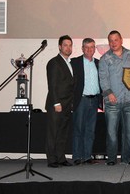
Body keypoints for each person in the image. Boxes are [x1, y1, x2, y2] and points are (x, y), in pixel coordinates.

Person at [98, 30, 130, 165]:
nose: (113, 43)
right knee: (112, 133)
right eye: (110, 40)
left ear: (121, 40)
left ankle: (127, 158)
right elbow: (103, 78)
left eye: (116, 40)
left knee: (129, 133)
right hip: (112, 101)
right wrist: (109, 93)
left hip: (129, 100)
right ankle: (111, 159)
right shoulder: (105, 58)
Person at [45, 35, 75, 168]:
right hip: (56, 105)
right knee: (53, 133)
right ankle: (52, 160)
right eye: (65, 45)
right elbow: (52, 85)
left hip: (67, 104)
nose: (68, 48)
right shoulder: (54, 62)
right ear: (59, 47)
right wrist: (56, 103)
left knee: (62, 133)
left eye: (70, 45)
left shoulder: (70, 63)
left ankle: (61, 158)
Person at [71, 38, 102, 165]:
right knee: (78, 129)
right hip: (81, 100)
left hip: (94, 100)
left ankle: (87, 156)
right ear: (82, 48)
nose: (89, 50)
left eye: (92, 47)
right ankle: (77, 157)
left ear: (95, 49)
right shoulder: (75, 62)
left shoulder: (99, 63)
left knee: (90, 130)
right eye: (87, 47)